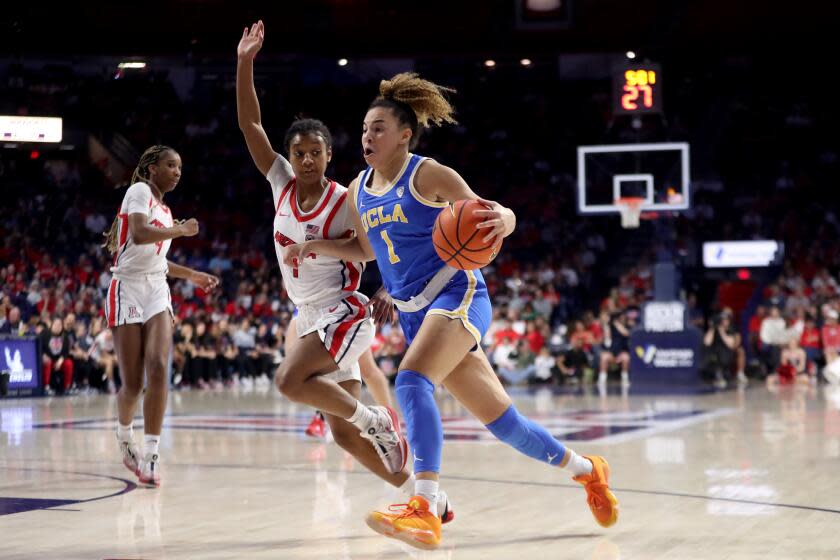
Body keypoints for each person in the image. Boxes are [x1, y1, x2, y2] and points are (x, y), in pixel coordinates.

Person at [285, 72, 618, 549]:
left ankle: (425, 505)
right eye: (363, 129)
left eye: (378, 128)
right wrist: (315, 245)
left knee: (411, 379)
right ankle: (588, 470)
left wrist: (503, 218)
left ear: (404, 134)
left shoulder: (428, 174)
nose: (367, 137)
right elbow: (366, 249)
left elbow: (490, 212)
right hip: (413, 311)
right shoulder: (359, 188)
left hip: (457, 293)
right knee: (506, 425)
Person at [236, 21, 457, 517]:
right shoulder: (281, 186)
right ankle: (426, 499)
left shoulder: (344, 198)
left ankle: (378, 417)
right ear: (289, 158)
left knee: (289, 382)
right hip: (309, 314)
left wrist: (317, 246)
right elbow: (251, 126)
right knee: (342, 434)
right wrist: (245, 62)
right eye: (299, 153)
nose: (307, 159)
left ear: (328, 155)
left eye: (316, 152)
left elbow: (369, 248)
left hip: (342, 312)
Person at [103, 144, 220, 487]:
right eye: (171, 165)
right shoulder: (138, 191)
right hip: (126, 287)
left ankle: (151, 454)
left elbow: (158, 262)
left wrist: (192, 275)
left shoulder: (167, 213)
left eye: (180, 167)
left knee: (158, 365)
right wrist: (180, 232)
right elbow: (139, 235)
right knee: (132, 384)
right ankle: (125, 435)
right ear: (152, 168)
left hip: (156, 288)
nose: (177, 172)